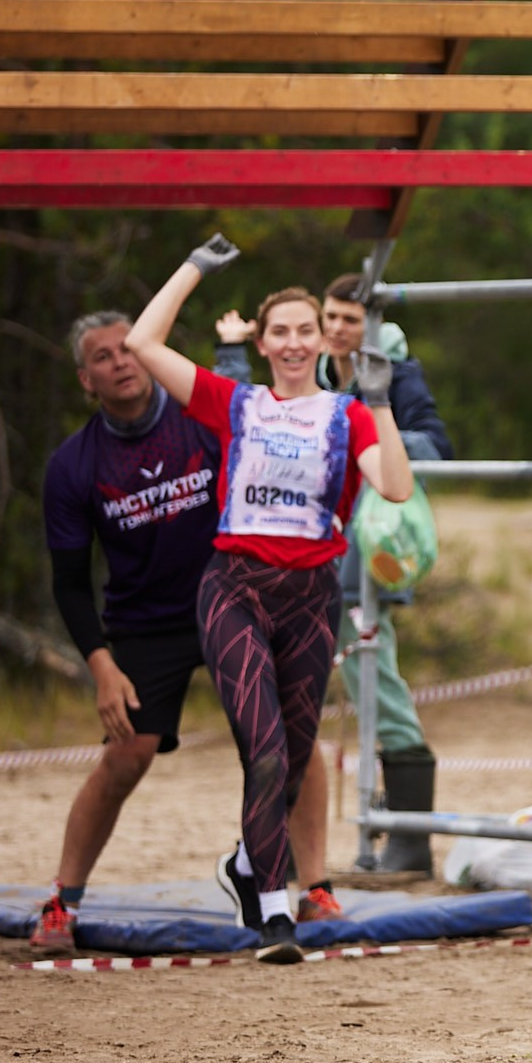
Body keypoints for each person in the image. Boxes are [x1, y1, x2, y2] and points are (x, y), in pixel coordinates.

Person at [123, 235, 413, 965]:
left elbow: (398, 486)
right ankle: (274, 910)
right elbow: (141, 340)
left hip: (311, 596)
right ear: (260, 341)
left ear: (322, 339)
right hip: (235, 588)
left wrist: (378, 401)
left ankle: (247, 865)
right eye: (278, 331)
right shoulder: (236, 402)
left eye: (304, 331)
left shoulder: (346, 415)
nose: (291, 342)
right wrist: (193, 266)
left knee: (289, 755)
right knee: (265, 746)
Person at [32, 310, 343, 953]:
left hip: (238, 597)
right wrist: (102, 667)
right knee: (129, 753)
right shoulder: (73, 464)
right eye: (102, 355)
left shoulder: (202, 420)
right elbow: (69, 582)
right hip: (149, 624)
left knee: (292, 734)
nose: (120, 361)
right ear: (85, 377)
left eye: (128, 347)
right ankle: (63, 900)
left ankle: (313, 886)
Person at [217, 271, 452, 873]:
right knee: (293, 708)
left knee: (379, 682)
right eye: (334, 318)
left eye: (353, 319)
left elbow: (434, 446)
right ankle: (287, 850)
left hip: (365, 561)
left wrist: (370, 428)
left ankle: (407, 834)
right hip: (303, 561)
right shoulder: (313, 376)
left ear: (373, 326)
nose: (341, 330)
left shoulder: (396, 373)